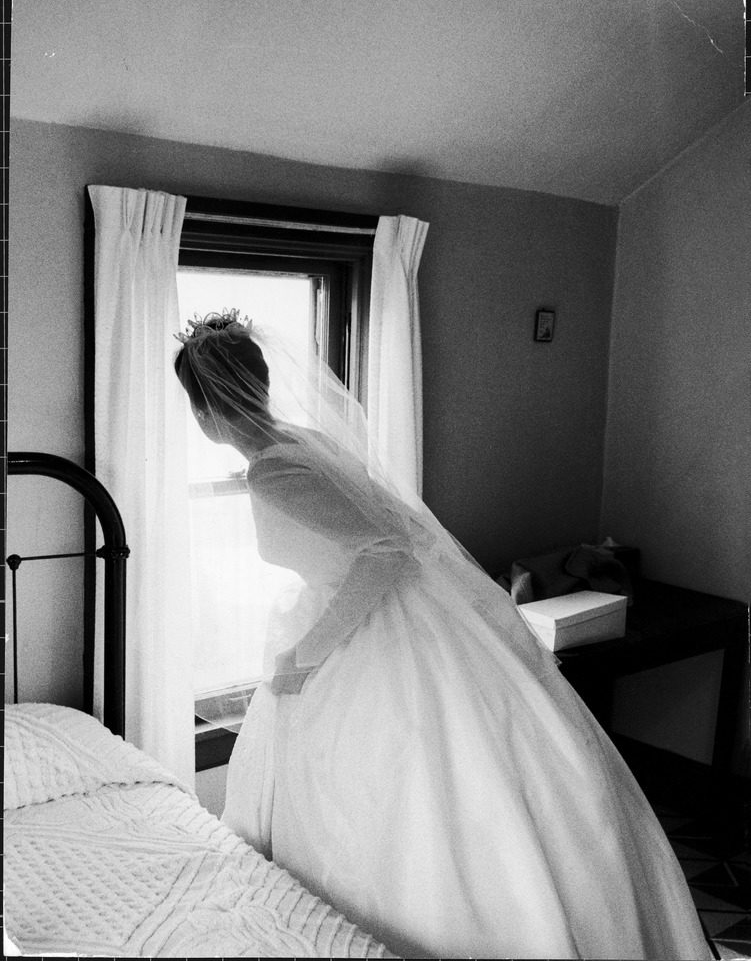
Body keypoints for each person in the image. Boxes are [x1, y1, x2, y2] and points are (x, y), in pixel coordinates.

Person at [174, 310, 711, 960]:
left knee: (403, 791)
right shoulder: (303, 442)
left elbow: (385, 552)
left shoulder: (275, 468)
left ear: (205, 411)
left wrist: (309, 656)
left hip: (370, 634)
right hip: (383, 616)